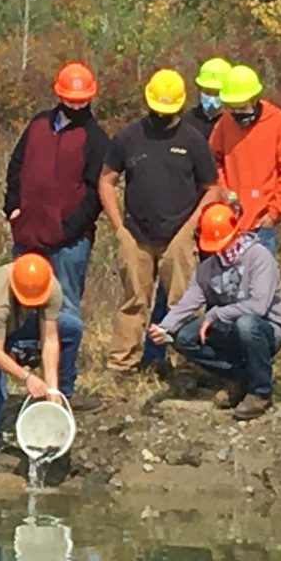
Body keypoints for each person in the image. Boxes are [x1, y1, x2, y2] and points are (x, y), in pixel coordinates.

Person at [99, 69, 218, 378]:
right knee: (133, 300)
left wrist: (190, 227)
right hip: (135, 235)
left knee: (183, 302)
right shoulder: (128, 136)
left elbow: (211, 188)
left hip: (178, 235)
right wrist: (119, 229)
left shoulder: (192, 139)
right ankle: (123, 363)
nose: (161, 116)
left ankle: (185, 366)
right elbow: (106, 181)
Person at [148, 202, 281, 421]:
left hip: (264, 329)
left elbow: (259, 306)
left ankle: (260, 391)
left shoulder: (259, 257)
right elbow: (188, 302)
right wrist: (165, 327)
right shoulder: (206, 269)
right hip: (229, 329)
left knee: (246, 324)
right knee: (181, 336)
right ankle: (239, 376)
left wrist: (214, 314)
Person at [143, 56, 235, 369]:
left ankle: (208, 358)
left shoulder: (233, 125)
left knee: (217, 292)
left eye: (217, 91)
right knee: (169, 293)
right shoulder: (188, 125)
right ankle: (154, 354)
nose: (211, 97)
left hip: (222, 223)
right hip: (184, 220)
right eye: (206, 90)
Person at [4, 61, 109, 317]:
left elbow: (96, 193)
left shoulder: (96, 137)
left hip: (70, 243)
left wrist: (68, 228)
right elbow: (16, 165)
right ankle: (25, 353)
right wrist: (13, 208)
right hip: (27, 231)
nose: (75, 105)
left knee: (66, 307)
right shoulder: (38, 124)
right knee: (21, 303)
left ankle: (63, 357)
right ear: (59, 94)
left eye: (81, 100)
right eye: (70, 99)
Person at [0, 253, 83, 471]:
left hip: (20, 321)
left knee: (71, 328)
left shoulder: (49, 287)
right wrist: (27, 377)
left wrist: (52, 388)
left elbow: (51, 338)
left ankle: (63, 397)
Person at [210, 64, 281, 255]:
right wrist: (222, 190)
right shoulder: (225, 123)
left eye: (241, 108)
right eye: (232, 109)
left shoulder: (277, 121)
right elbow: (212, 162)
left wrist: (274, 212)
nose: (237, 114)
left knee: (260, 283)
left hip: (261, 227)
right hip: (228, 223)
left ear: (254, 99)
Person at [183, 57, 232, 141]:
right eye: (207, 92)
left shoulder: (232, 125)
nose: (212, 98)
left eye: (217, 93)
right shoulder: (186, 123)